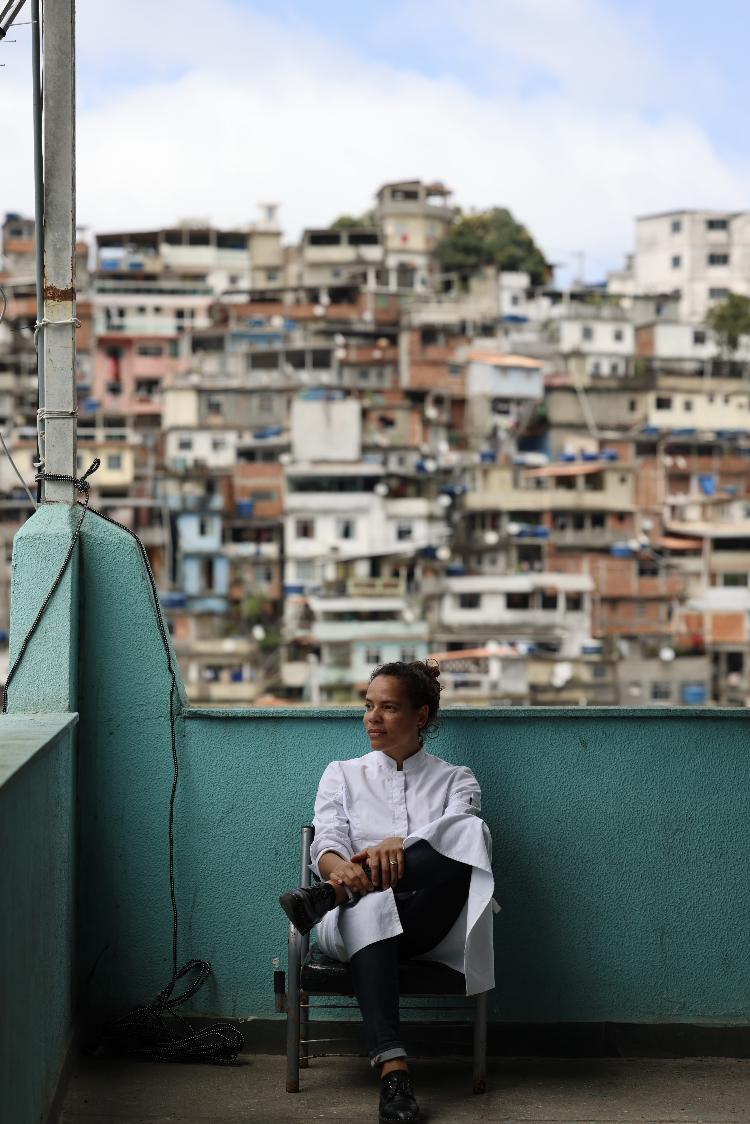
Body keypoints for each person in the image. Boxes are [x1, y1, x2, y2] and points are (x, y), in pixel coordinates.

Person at [279, 659, 495, 1124]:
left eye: (389, 707)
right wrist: (344, 872)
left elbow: (461, 845)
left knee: (472, 834)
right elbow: (328, 846)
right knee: (371, 905)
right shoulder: (341, 773)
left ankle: (326, 898)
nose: (372, 718)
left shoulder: (457, 779)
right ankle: (394, 1072)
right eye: (368, 706)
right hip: (357, 925)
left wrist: (404, 845)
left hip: (429, 924)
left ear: (420, 716)